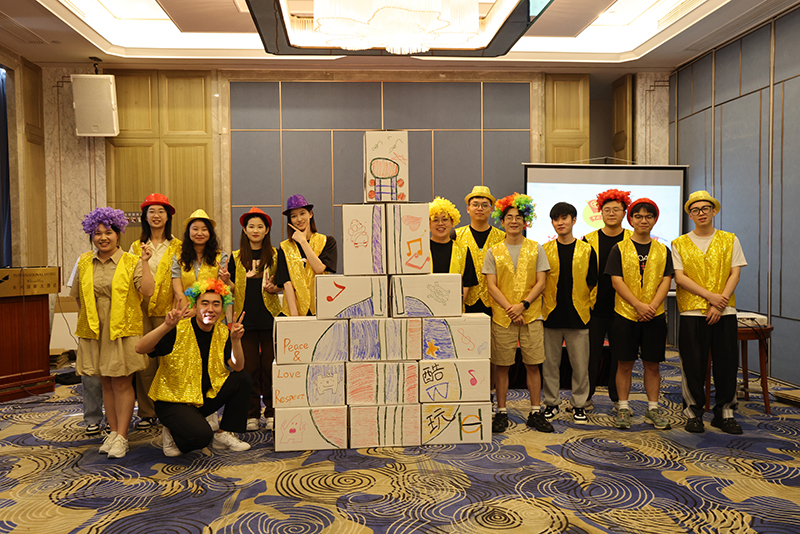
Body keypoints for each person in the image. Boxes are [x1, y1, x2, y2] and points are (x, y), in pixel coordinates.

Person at [71, 207, 155, 459]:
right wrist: (91, 319)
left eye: (108, 232)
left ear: (118, 234)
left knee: (121, 382)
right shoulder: (84, 261)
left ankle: (122, 437)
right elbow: (78, 296)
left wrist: (145, 262)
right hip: (95, 330)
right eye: (97, 233)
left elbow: (148, 291)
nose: (103, 238)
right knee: (105, 382)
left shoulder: (131, 261)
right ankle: (114, 431)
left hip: (122, 330)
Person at [135, 279, 252, 456]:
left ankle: (223, 434)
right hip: (172, 400)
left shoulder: (222, 332)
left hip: (202, 397)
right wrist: (166, 326)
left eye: (216, 304)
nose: (210, 309)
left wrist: (235, 341)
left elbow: (237, 366)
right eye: (205, 303)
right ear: (195, 307)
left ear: (222, 308)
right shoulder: (178, 328)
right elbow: (140, 348)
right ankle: (172, 431)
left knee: (242, 379)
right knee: (201, 437)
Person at [673, 190, 747, 434]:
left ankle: (725, 412)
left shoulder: (730, 239)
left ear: (714, 211)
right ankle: (693, 412)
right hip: (692, 312)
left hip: (724, 311)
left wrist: (719, 303)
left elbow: (735, 274)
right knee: (692, 364)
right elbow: (680, 278)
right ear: (690, 215)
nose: (701, 213)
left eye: (705, 208)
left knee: (727, 362)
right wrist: (710, 297)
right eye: (695, 210)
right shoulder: (679, 243)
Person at [483, 193, 553, 434]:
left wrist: (522, 305)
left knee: (533, 365)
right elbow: (492, 286)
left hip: (531, 315)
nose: (514, 221)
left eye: (518, 217)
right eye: (509, 217)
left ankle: (535, 411)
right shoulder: (493, 251)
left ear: (526, 222)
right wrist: (511, 310)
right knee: (502, 366)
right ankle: (501, 412)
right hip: (503, 317)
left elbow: (541, 282)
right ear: (502, 221)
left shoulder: (536, 248)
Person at [605, 199, 673, 430]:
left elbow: (666, 280)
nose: (644, 220)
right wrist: (637, 305)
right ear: (631, 219)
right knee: (624, 364)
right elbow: (616, 281)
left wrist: (651, 306)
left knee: (652, 365)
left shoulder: (663, 250)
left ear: (654, 220)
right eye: (639, 216)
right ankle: (623, 407)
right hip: (625, 314)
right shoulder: (619, 248)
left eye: (648, 216)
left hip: (655, 315)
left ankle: (652, 409)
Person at [541, 202, 598, 425]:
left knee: (580, 365)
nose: (560, 222)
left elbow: (593, 281)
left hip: (579, 315)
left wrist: (583, 302)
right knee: (550, 364)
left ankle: (579, 404)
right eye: (556, 219)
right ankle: (551, 402)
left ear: (574, 220)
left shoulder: (587, 249)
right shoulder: (544, 250)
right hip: (551, 314)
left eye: (564, 218)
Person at [129, 193, 182, 430]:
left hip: (170, 309)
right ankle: (147, 411)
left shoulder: (178, 246)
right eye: (151, 211)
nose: (156, 215)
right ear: (145, 216)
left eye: (161, 211)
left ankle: (170, 407)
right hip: (142, 310)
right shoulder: (136, 246)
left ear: (168, 216)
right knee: (145, 363)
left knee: (169, 361)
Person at [230, 207, 282, 431]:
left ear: (267, 230)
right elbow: (231, 289)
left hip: (271, 317)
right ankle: (251, 413)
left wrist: (274, 288)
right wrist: (226, 281)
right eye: (251, 226)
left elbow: (283, 284)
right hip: (245, 320)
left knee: (271, 368)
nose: (255, 230)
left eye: (260, 226)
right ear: (244, 229)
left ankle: (272, 412)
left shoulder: (276, 255)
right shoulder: (235, 257)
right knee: (248, 369)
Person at [583, 189, 633, 409]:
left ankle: (617, 397)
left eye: (616, 210)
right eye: (607, 210)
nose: (611, 213)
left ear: (624, 213)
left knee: (620, 355)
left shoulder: (632, 239)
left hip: (624, 308)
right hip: (594, 307)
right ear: (601, 213)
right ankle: (586, 396)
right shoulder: (588, 240)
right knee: (590, 355)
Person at [275, 195, 337, 316]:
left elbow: (319, 269)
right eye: (293, 216)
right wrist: (295, 316)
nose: (299, 219)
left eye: (302, 213)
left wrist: (303, 242)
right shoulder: (284, 247)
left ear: (310, 214)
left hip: (321, 308)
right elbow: (286, 282)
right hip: (294, 311)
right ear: (290, 220)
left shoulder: (327, 241)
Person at [455, 186, 505, 316]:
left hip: (495, 303)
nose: (480, 208)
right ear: (468, 209)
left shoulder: (502, 237)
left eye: (485, 205)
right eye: (475, 205)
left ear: (491, 210)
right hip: (465, 300)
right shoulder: (456, 235)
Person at [172, 209, 229, 315]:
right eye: (195, 229)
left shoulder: (220, 257)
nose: (199, 233)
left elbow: (219, 290)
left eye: (204, 229)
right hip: (185, 313)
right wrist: (188, 311)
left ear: (210, 233)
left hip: (212, 314)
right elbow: (178, 291)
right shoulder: (179, 258)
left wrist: (197, 311)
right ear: (188, 232)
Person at [429, 197, 478, 303]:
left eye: (445, 219)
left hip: (455, 307)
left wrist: (456, 305)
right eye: (435, 220)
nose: (440, 223)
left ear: (452, 222)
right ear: (429, 224)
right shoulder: (421, 249)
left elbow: (466, 284)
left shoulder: (463, 250)